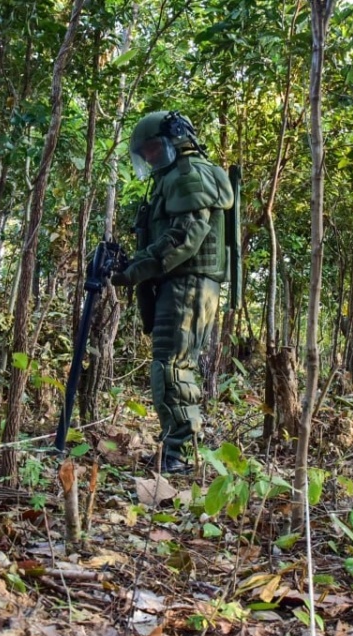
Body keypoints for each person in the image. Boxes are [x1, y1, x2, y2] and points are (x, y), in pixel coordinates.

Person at [111, 111, 234, 474]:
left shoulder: (189, 175)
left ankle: (177, 454)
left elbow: (183, 239)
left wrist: (134, 270)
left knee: (172, 366)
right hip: (180, 282)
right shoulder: (176, 176)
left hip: (188, 283)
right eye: (144, 152)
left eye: (152, 149)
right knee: (171, 363)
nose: (148, 158)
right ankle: (175, 447)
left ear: (176, 140)